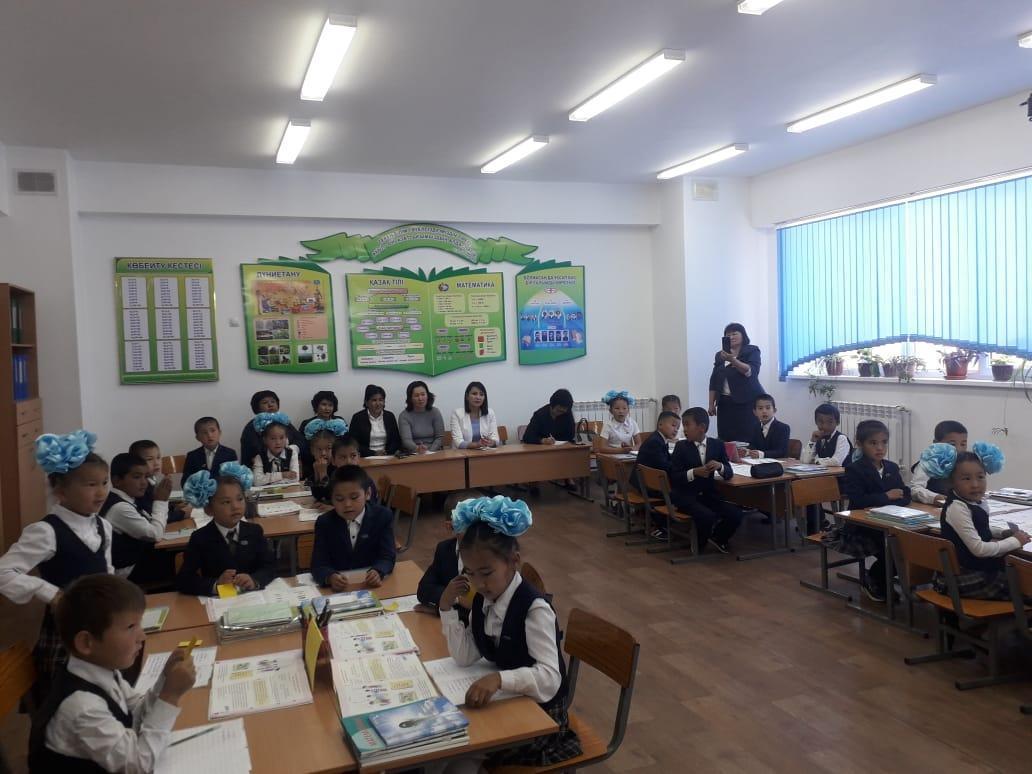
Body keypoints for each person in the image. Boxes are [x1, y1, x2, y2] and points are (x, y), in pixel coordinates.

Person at [439, 496, 581, 768]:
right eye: (470, 573)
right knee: (446, 750)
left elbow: (550, 678)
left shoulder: (534, 609)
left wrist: (499, 679)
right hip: (512, 703)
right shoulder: (484, 600)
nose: (478, 583)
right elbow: (465, 657)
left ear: (513, 560)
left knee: (458, 757)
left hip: (542, 718)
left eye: (486, 573)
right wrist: (446, 608)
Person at [28, 574, 195, 773]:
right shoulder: (82, 707)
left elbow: (135, 713)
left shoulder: (102, 670)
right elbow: (138, 765)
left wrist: (165, 681)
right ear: (86, 643)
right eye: (131, 627)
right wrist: (169, 696)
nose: (142, 636)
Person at [0, 431, 112, 700]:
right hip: (66, 636)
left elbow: (107, 573)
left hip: (100, 624)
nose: (101, 492)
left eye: (104, 483)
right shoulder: (46, 531)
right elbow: (3, 571)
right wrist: (50, 593)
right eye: (90, 485)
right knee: (73, 701)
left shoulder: (103, 525)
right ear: (61, 490)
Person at [934, 444, 1027, 600]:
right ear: (951, 482)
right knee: (1024, 584)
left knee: (1021, 575)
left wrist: (1002, 533)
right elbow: (979, 549)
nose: (975, 484)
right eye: (966, 478)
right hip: (961, 577)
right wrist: (1015, 541)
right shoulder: (957, 507)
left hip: (976, 569)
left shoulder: (976, 501)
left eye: (980, 477)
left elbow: (977, 527)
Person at [836, 420, 911, 602]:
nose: (880, 448)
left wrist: (893, 499)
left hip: (891, 521)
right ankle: (874, 579)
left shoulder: (891, 467)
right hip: (862, 528)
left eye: (884, 442)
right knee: (892, 550)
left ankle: (883, 577)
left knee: (910, 546)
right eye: (873, 443)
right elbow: (858, 500)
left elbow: (904, 494)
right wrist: (887, 496)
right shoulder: (854, 469)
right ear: (860, 444)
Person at [176, 465, 277, 596]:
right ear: (209, 509)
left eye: (240, 499)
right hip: (220, 601)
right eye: (226, 502)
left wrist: (254, 580)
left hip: (252, 597)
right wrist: (216, 584)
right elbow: (184, 580)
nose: (235, 506)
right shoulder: (200, 538)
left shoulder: (254, 531)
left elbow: (270, 567)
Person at [669, 408, 743, 554]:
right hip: (686, 496)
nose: (684, 429)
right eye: (683, 425)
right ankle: (699, 544)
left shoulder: (717, 445)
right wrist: (694, 472)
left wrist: (720, 466)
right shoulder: (681, 447)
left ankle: (718, 538)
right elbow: (674, 477)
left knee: (735, 514)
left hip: (709, 495)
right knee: (706, 516)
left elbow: (728, 473)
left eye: (687, 425)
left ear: (701, 427)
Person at [311, 465, 396, 590]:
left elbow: (387, 556)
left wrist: (378, 571)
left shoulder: (382, 516)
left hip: (371, 586)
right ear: (332, 499)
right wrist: (329, 576)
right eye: (339, 499)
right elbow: (318, 564)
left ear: (368, 494)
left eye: (354, 497)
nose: (347, 504)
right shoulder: (325, 523)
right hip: (339, 589)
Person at [99, 453, 170, 581]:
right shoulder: (120, 507)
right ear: (117, 480)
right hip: (126, 572)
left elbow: (148, 520)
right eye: (137, 477)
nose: (144, 483)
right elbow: (155, 534)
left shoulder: (128, 498)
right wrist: (160, 501)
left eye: (146, 477)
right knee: (184, 558)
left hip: (137, 561)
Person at [707, 323, 764, 442]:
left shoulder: (752, 350)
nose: (731, 337)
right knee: (725, 436)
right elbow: (714, 380)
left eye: (734, 334)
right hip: (724, 402)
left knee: (746, 435)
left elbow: (750, 372)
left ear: (743, 335)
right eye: (728, 335)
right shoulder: (720, 355)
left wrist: (732, 359)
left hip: (746, 401)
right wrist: (711, 403)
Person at [417, 529, 470, 623]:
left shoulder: (484, 554)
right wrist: (455, 598)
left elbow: (480, 612)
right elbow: (423, 591)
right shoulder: (445, 548)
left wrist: (439, 610)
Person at [239, 390, 305, 465]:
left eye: (273, 401)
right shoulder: (252, 426)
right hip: (261, 465)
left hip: (288, 461)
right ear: (257, 408)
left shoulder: (284, 422)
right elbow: (252, 450)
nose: (270, 405)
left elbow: (300, 440)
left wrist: (292, 449)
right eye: (265, 402)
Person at [911, 420, 969, 505]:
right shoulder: (928, 464)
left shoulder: (965, 463)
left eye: (963, 444)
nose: (959, 449)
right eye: (952, 444)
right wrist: (934, 497)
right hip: (932, 507)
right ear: (936, 443)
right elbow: (915, 489)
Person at [348, 384, 402, 457]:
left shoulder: (389, 416)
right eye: (374, 400)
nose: (378, 403)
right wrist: (373, 453)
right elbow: (353, 443)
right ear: (366, 402)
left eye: (381, 400)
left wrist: (387, 452)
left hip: (387, 456)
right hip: (366, 457)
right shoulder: (358, 418)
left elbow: (396, 440)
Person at [181, 416, 238, 482]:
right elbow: (185, 481)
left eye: (213, 431)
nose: (209, 435)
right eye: (204, 432)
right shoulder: (192, 456)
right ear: (197, 437)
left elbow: (235, 479)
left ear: (219, 432)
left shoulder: (230, 453)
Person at [250, 411, 301, 485]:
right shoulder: (259, 457)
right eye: (273, 438)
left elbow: (295, 478)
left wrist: (268, 480)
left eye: (281, 438)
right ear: (265, 440)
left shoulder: (292, 453)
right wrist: (282, 475)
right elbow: (257, 481)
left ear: (286, 438)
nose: (278, 442)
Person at [302, 418, 349, 493]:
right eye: (319, 449)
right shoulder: (313, 466)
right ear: (312, 451)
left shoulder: (340, 469)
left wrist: (323, 473)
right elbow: (317, 494)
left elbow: (329, 494)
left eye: (328, 448)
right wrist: (316, 473)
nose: (323, 453)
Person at [399, 380, 445, 453]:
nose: (420, 398)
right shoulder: (404, 416)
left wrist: (430, 451)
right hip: (413, 452)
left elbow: (440, 437)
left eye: (423, 394)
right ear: (410, 398)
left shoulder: (435, 412)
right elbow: (406, 440)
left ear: (427, 395)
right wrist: (417, 449)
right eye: (416, 395)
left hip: (434, 451)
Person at [450, 381, 500, 449]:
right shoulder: (457, 413)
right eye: (474, 394)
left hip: (485, 452)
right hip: (462, 453)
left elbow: (495, 439)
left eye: (481, 394)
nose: (478, 397)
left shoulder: (490, 413)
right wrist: (477, 444)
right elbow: (458, 442)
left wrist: (491, 442)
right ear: (467, 396)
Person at [594, 390, 640, 455]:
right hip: (612, 456)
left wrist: (631, 448)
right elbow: (602, 448)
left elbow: (639, 444)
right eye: (617, 408)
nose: (621, 411)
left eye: (624, 408)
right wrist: (621, 450)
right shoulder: (608, 425)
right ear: (611, 411)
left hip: (628, 455)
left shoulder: (632, 423)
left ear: (628, 410)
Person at [746, 393, 791, 459]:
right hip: (757, 462)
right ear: (755, 412)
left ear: (774, 410)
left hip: (777, 463)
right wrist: (747, 451)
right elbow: (752, 446)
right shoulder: (755, 427)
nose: (764, 411)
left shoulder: (783, 428)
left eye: (768, 408)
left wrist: (762, 454)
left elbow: (782, 451)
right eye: (760, 408)